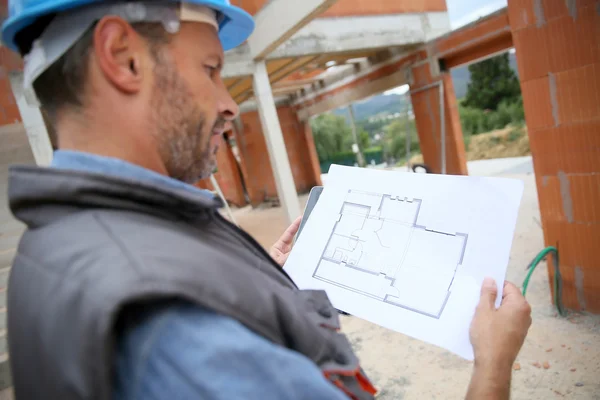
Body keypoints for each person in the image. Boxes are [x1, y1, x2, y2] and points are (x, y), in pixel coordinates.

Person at [2, 1, 532, 399]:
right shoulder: (171, 324)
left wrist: (260, 282)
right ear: (123, 58)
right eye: (211, 69)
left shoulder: (53, 243)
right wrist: (493, 361)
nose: (229, 105)